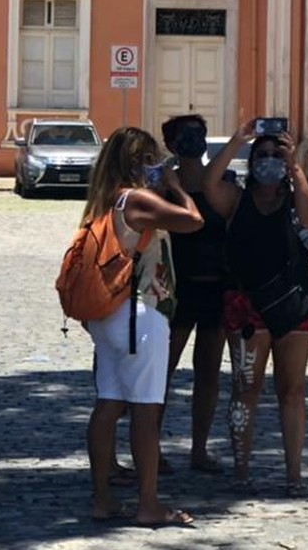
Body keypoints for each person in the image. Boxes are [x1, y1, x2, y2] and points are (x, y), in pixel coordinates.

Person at [83, 127, 203, 527]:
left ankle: (102, 498)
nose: (158, 165)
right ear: (138, 163)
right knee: (146, 413)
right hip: (141, 314)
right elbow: (193, 219)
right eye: (152, 159)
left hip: (109, 316)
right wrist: (174, 185)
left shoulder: (106, 200)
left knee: (109, 405)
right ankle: (148, 503)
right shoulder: (137, 200)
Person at [203, 120, 308, 497]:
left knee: (293, 390)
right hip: (247, 306)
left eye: (276, 155)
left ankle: (294, 475)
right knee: (246, 387)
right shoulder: (237, 199)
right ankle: (241, 470)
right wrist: (238, 140)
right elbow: (208, 185)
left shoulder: (293, 198)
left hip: (294, 302)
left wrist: (296, 166)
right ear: (252, 161)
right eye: (263, 155)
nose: (269, 161)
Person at [157, 115, 228, 474]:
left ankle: (199, 448)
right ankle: (150, 446)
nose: (194, 140)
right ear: (171, 144)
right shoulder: (162, 189)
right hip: (176, 289)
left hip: (215, 285)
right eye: (186, 136)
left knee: (209, 374)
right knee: (162, 371)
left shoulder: (222, 183)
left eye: (199, 133)